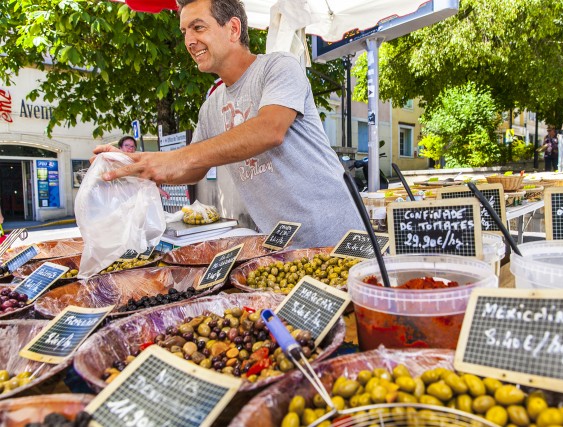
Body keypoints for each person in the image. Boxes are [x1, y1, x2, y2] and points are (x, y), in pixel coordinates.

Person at [93, 0, 362, 248]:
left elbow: (270, 129)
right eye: (184, 31)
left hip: (337, 237)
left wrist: (176, 158)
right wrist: (133, 165)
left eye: (198, 27)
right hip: (280, 247)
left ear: (233, 28)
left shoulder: (279, 67)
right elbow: (193, 169)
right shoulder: (211, 105)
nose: (189, 40)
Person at [116, 136, 171, 200]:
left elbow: (143, 181)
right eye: (126, 145)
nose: (130, 148)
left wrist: (160, 191)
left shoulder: (136, 164)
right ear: (120, 147)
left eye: (132, 146)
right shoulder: (112, 161)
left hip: (133, 199)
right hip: (116, 199)